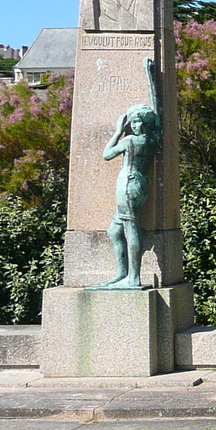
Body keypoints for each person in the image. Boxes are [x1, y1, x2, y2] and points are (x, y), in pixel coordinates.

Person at [91, 58, 161, 290]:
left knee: (132, 230)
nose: (133, 125)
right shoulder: (153, 138)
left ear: (140, 123)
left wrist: (117, 131)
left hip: (128, 185)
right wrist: (149, 76)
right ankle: (122, 273)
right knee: (114, 231)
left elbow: (107, 154)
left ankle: (133, 277)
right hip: (138, 185)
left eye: (135, 121)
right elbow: (158, 113)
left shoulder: (130, 140)